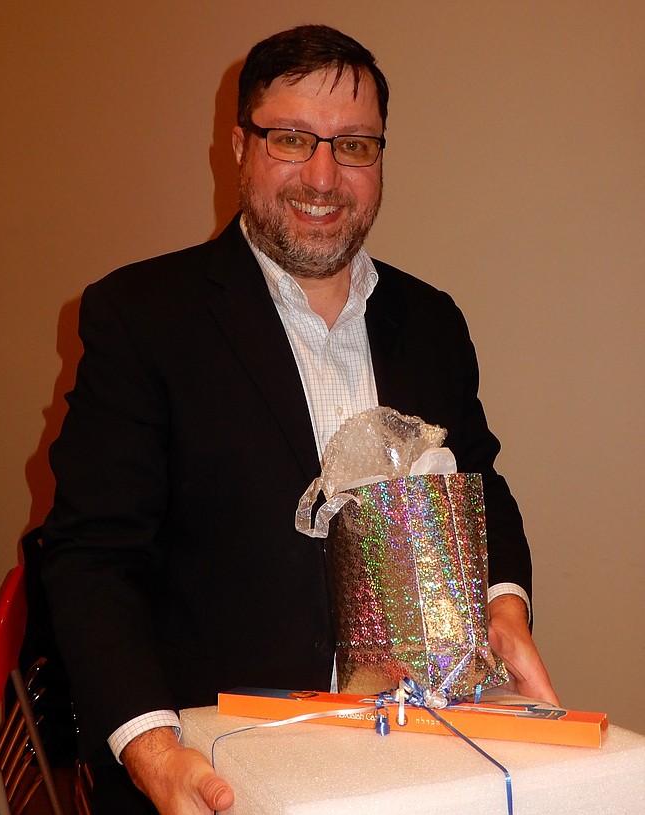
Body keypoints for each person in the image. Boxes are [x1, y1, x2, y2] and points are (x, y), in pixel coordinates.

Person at [41, 24, 558, 815]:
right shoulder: (140, 317)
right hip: (212, 769)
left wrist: (505, 605)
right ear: (239, 145)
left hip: (418, 759)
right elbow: (92, 561)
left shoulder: (432, 321)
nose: (323, 175)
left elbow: (483, 487)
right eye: (292, 138)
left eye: (353, 146)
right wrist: (153, 752)